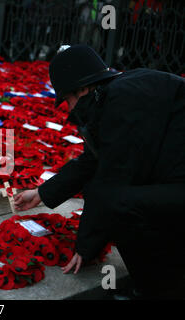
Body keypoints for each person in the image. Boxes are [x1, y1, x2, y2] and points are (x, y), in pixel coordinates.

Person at [14, 44, 185, 299]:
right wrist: (42, 192)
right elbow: (94, 160)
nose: (70, 110)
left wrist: (85, 247)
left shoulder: (120, 101)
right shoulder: (116, 93)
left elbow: (112, 179)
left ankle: (159, 290)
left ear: (83, 88)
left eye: (68, 100)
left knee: (118, 204)